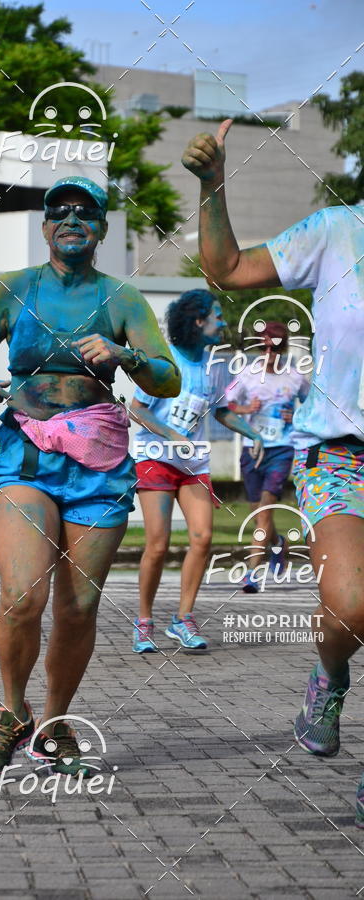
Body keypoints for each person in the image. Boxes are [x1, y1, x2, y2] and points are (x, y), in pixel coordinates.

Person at [0, 175, 181, 778]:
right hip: (25, 456)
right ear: (46, 226)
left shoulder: (122, 299)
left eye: (87, 212)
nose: (72, 219)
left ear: (103, 229)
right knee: (22, 594)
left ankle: (54, 725)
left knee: (78, 607)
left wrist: (127, 356)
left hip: (97, 466)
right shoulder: (14, 290)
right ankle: (11, 712)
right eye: (60, 211)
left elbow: (168, 377)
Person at [182, 119, 364, 824]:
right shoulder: (337, 230)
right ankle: (332, 675)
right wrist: (212, 185)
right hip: (341, 454)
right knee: (349, 605)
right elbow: (226, 269)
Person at [131, 289, 264, 653]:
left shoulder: (215, 366)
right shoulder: (163, 362)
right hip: (155, 458)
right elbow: (136, 410)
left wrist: (253, 434)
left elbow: (220, 411)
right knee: (157, 546)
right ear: (197, 320)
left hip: (194, 465)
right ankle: (144, 623)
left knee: (203, 538)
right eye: (217, 315)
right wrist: (173, 436)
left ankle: (183, 619)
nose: (223, 323)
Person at [224, 321, 309, 592]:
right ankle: (278, 544)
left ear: (282, 349)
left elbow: (313, 409)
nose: (270, 354)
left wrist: (296, 416)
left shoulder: (296, 377)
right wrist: (247, 407)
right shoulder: (247, 374)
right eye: (265, 347)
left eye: (276, 348)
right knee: (257, 512)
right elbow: (226, 405)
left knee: (263, 512)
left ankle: (251, 574)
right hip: (253, 449)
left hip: (283, 449)